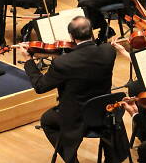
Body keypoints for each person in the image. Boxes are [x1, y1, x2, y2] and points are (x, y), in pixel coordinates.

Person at [22, 16, 117, 163]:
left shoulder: (63, 64)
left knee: (47, 120)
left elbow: (40, 86)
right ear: (91, 32)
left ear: (71, 36)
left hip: (76, 118)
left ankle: (71, 160)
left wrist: (29, 62)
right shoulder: (108, 52)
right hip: (104, 113)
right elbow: (86, 60)